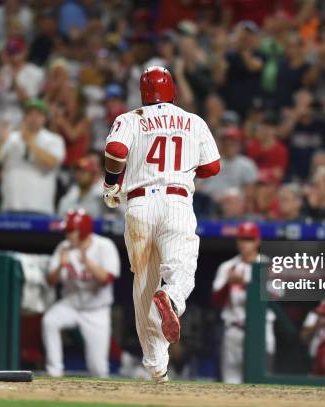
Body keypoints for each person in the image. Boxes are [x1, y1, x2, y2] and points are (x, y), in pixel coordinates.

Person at [103, 66, 220, 383]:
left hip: (138, 204)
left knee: (143, 284)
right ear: (172, 90)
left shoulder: (131, 117)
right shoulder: (192, 120)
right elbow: (212, 167)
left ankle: (157, 368)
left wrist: (111, 184)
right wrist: (183, 166)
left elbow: (115, 151)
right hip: (176, 202)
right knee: (180, 265)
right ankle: (173, 297)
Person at [42, 210, 121, 377]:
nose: (67, 234)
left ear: (83, 230)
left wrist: (88, 262)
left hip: (96, 311)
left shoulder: (104, 246)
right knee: (49, 321)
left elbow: (106, 279)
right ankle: (54, 371)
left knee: (98, 369)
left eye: (71, 230)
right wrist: (60, 266)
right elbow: (50, 281)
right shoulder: (63, 248)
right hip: (71, 305)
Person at [211, 222, 275, 384]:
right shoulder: (227, 267)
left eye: (250, 239)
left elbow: (275, 298)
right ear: (237, 241)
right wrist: (228, 283)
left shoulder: (269, 266)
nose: (246, 243)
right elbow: (216, 301)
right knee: (231, 382)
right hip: (234, 330)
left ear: (257, 241)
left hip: (261, 331)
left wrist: (248, 284)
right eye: (243, 239)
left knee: (261, 384)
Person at [0, 99, 65, 215]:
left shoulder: (53, 140)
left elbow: (52, 162)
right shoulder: (10, 138)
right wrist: (1, 142)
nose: (33, 117)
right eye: (30, 114)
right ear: (24, 117)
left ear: (45, 118)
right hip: (11, 208)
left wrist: (29, 142)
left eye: (38, 114)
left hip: (40, 209)